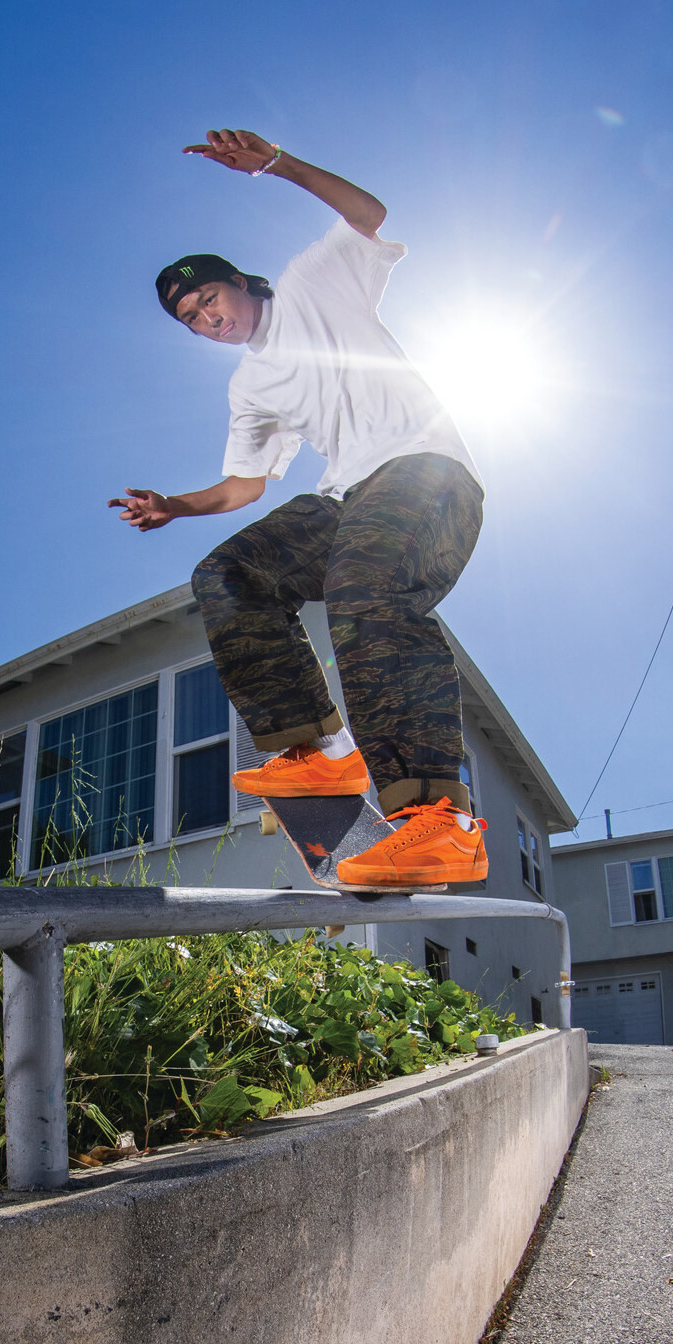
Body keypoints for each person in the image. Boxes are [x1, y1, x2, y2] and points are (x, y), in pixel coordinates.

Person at [109, 128, 488, 888]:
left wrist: (277, 164)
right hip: (342, 497)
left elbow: (369, 212)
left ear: (241, 284)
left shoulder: (316, 282)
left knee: (363, 589)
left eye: (210, 298)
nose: (209, 319)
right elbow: (243, 486)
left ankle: (438, 820)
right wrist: (174, 506)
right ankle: (315, 755)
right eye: (193, 319)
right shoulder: (248, 389)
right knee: (227, 574)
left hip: (426, 473)